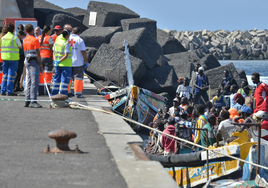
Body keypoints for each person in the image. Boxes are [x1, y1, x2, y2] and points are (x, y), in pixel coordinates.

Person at [23, 24, 43, 108]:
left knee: (29, 81)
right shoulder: (34, 40)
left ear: (25, 31)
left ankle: (27, 100)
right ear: (32, 30)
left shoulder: (25, 40)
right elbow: (37, 53)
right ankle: (33, 101)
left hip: (27, 60)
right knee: (34, 81)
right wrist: (40, 64)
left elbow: (25, 52)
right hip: (33, 61)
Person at [0, 23, 22, 96]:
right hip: (13, 59)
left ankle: (3, 91)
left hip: (4, 58)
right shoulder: (14, 38)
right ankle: (9, 91)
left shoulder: (3, 38)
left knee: (5, 75)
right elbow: (20, 46)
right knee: (11, 75)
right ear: (13, 30)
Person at [50, 29, 72, 97]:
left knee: (56, 79)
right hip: (65, 64)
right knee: (64, 81)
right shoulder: (66, 43)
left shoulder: (57, 42)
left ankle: (53, 94)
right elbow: (66, 55)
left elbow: (53, 51)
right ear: (67, 35)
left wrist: (55, 60)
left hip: (57, 65)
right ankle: (63, 95)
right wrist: (60, 60)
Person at [69, 27, 88, 98]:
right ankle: (78, 94)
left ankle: (67, 92)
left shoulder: (68, 39)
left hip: (68, 62)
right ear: (79, 33)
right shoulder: (80, 40)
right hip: (78, 62)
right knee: (78, 79)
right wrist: (86, 61)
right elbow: (83, 52)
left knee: (68, 78)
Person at [37, 25, 54, 95]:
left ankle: (40, 91)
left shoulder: (38, 38)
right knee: (47, 73)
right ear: (49, 30)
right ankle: (46, 91)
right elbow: (51, 49)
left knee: (41, 74)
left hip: (40, 57)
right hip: (47, 57)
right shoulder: (49, 38)